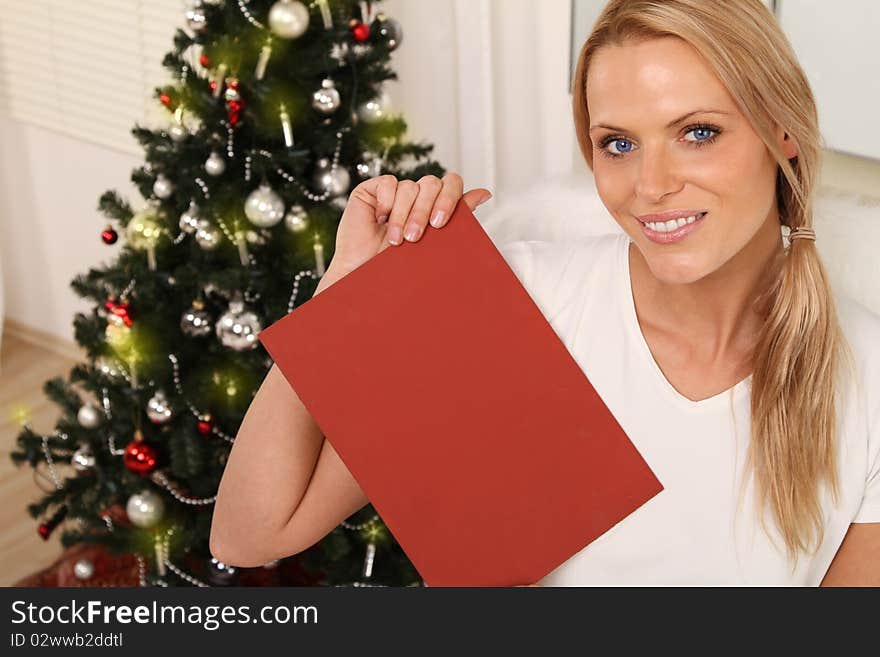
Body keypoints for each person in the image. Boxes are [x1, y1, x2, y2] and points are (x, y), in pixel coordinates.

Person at [210, 0, 880, 586]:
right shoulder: (520, 300)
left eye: (696, 132)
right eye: (618, 143)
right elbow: (251, 533)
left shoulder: (868, 375)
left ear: (781, 131)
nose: (650, 184)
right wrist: (343, 296)